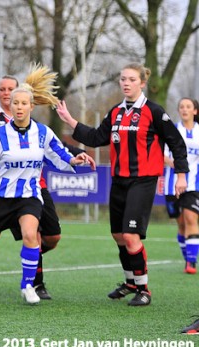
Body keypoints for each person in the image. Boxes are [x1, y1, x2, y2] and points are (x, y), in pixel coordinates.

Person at [56, 62, 189, 306]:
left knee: (130, 235)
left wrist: (181, 174)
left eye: (131, 79)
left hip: (143, 181)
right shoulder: (116, 112)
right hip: (119, 181)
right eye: (123, 79)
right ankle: (130, 283)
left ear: (142, 83)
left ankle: (144, 290)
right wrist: (71, 121)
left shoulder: (154, 112)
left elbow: (177, 143)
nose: (126, 83)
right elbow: (97, 138)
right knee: (118, 235)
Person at [0, 64, 95, 305]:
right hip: (0, 197)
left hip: (30, 195)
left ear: (31, 106)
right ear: (10, 107)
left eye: (24, 104)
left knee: (31, 234)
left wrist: (76, 158)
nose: (19, 107)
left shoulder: (43, 133)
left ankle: (28, 286)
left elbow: (59, 154)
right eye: (16, 104)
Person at [164, 97, 199, 274]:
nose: (184, 109)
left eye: (188, 107)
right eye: (181, 107)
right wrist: (174, 163)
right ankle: (187, 256)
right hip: (172, 185)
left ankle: (191, 263)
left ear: (195, 111)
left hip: (194, 185)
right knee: (181, 224)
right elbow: (160, 154)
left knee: (191, 218)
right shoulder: (172, 131)